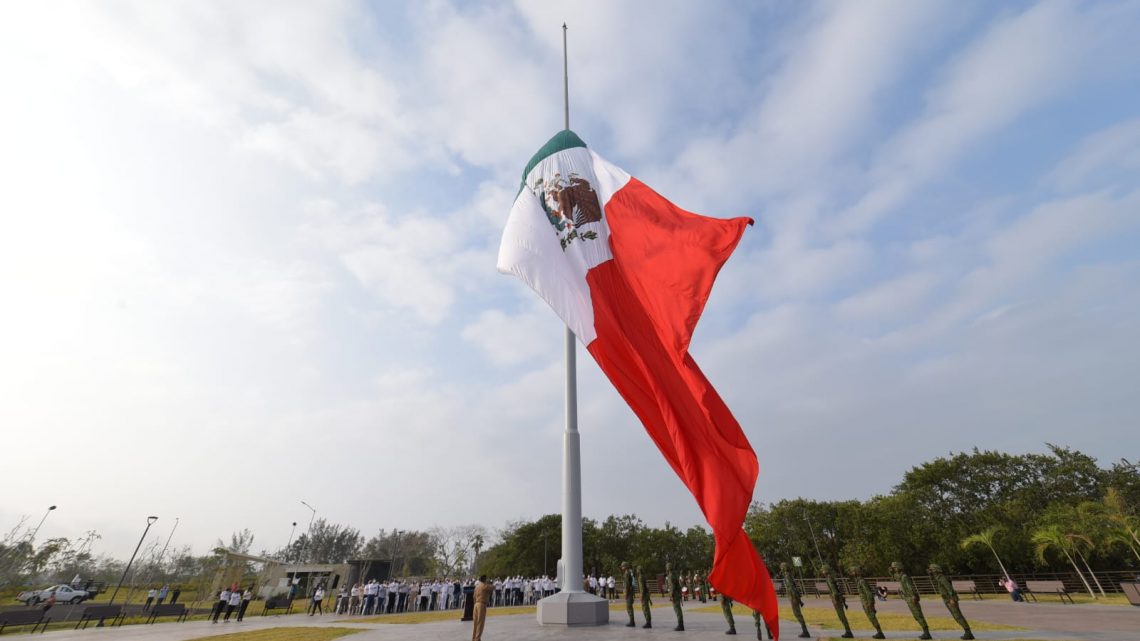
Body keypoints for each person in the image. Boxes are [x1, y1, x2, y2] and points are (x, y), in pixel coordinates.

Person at [929, 564, 974, 640]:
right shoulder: (938, 578)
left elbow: (949, 588)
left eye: (931, 570)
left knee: (958, 616)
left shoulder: (942, 578)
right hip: (947, 599)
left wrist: (952, 598)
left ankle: (968, 632)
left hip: (950, 599)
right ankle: (967, 632)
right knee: (956, 616)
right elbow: (933, 579)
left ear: (935, 570)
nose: (931, 572)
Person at [891, 562, 931, 641]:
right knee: (916, 616)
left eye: (895, 568)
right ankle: (925, 632)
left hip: (911, 598)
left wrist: (913, 596)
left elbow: (910, 587)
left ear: (899, 567)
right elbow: (895, 577)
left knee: (918, 615)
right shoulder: (901, 576)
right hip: (908, 598)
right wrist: (891, 572)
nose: (894, 569)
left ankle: (927, 633)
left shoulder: (904, 577)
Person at [848, 565, 886, 639]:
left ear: (856, 572)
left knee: (872, 617)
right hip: (865, 603)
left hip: (867, 603)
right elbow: (851, 579)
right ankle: (879, 632)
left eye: (853, 572)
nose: (852, 573)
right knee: (871, 618)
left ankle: (880, 633)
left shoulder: (862, 581)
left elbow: (868, 593)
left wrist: (871, 604)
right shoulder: (858, 580)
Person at [821, 564, 853, 639]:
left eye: (823, 570)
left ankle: (848, 632)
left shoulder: (829, 578)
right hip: (839, 599)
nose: (822, 572)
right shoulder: (831, 577)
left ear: (826, 570)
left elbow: (834, 591)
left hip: (837, 600)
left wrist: (835, 599)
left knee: (842, 616)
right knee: (842, 616)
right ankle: (848, 631)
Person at [780, 562, 811, 638]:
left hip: (793, 598)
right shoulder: (788, 575)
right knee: (798, 614)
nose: (781, 568)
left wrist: (796, 599)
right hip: (794, 597)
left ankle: (805, 631)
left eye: (781, 567)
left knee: (798, 614)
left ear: (784, 568)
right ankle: (805, 631)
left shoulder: (787, 576)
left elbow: (792, 588)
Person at [471, 574, 492, 641]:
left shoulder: (477, 587)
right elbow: (493, 587)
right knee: (480, 623)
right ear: (484, 580)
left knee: (475, 623)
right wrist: (489, 582)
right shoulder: (485, 586)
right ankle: (477, 639)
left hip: (476, 605)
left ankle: (474, 638)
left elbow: (474, 597)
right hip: (481, 605)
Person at [666, 562, 684, 631]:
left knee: (677, 610)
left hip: (675, 595)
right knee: (678, 609)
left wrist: (671, 596)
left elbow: (672, 587)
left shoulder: (670, 576)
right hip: (677, 594)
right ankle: (681, 624)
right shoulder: (675, 574)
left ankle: (680, 625)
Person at [622, 562, 637, 627]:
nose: (622, 567)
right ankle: (632, 621)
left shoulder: (626, 573)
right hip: (630, 592)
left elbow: (627, 585)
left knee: (629, 607)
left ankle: (632, 622)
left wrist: (626, 593)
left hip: (629, 593)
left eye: (623, 566)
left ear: (625, 566)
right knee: (629, 607)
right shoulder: (628, 573)